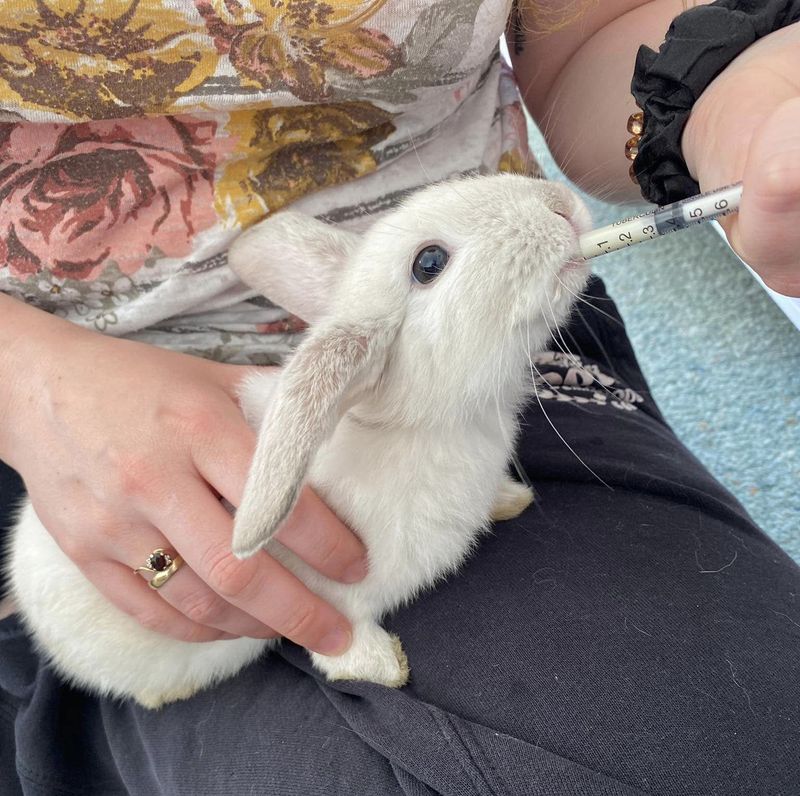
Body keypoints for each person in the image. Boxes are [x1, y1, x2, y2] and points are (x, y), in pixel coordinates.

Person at [0, 1, 798, 793]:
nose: (550, 204)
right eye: (428, 266)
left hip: (498, 351)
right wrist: (28, 384)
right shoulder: (372, 445)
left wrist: (736, 103)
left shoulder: (453, 376)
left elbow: (592, 33)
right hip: (58, 418)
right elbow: (336, 561)